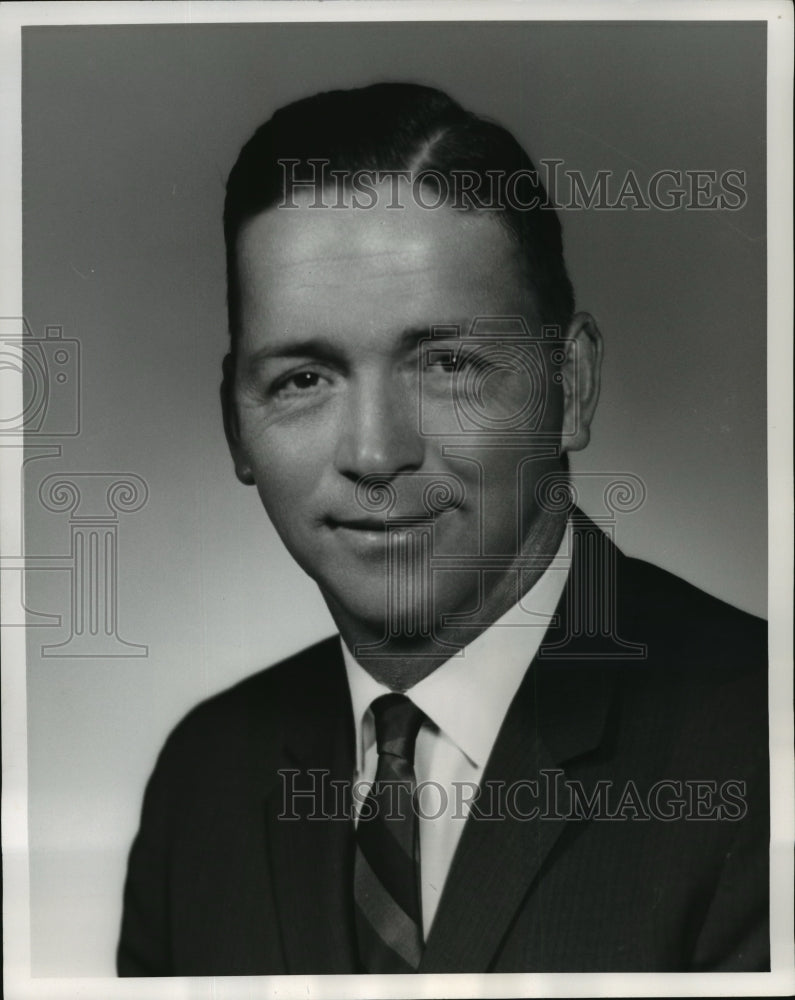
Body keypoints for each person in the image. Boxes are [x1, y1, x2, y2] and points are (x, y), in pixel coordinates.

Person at [117, 83, 768, 975]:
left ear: (567, 386)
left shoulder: (766, 747)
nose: (376, 453)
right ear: (236, 424)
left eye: (447, 363)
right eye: (304, 378)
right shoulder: (206, 777)